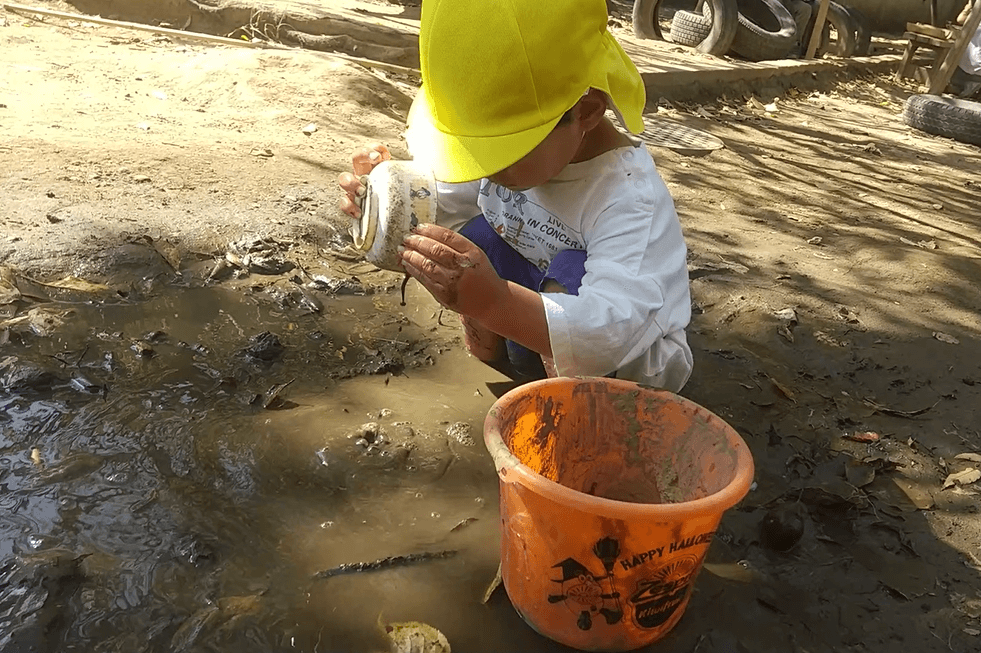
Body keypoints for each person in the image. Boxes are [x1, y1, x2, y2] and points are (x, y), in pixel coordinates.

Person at [338, 0, 693, 392]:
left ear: (587, 112)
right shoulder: (528, 163)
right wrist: (388, 194)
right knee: (470, 238)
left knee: (571, 269)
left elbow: (613, 328)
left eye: (502, 151)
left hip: (623, 361)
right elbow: (443, 201)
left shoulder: (629, 200)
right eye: (473, 151)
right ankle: (506, 352)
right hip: (531, 313)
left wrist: (494, 305)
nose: (487, 169)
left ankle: (560, 395)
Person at [949, 1, 981, 98]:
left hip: (968, 65)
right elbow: (961, 19)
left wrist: (970, 6)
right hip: (968, 64)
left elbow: (961, 19)